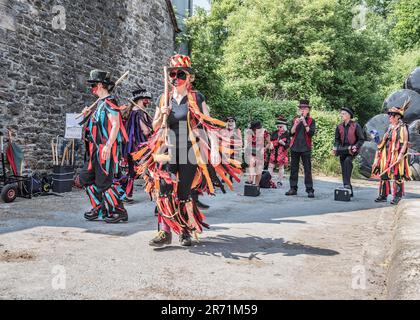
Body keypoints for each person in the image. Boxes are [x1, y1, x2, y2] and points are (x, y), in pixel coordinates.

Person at [133, 54, 241, 247]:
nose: (176, 78)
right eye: (172, 74)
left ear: (188, 77)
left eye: (180, 74)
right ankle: (164, 232)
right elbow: (155, 125)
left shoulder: (196, 98)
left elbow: (208, 125)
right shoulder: (163, 98)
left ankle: (185, 231)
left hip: (189, 150)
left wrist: (215, 149)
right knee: (164, 190)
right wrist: (162, 114)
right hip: (167, 147)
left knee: (184, 192)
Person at [79, 70, 129, 223]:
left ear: (100, 85)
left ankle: (119, 210)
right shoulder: (100, 104)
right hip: (94, 150)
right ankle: (99, 207)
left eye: (93, 85)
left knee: (104, 182)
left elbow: (115, 125)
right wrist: (87, 114)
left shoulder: (110, 103)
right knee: (85, 178)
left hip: (104, 150)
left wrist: (108, 145)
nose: (91, 88)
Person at [372, 101, 411, 205]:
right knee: (384, 174)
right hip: (386, 154)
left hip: (397, 154)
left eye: (391, 115)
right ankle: (383, 195)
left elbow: (406, 142)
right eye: (389, 114)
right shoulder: (389, 127)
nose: (389, 116)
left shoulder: (403, 127)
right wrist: (380, 140)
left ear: (398, 116)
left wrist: (400, 155)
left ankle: (397, 196)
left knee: (398, 175)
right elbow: (384, 141)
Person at [121, 87, 153, 201]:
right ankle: (157, 197)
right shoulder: (140, 112)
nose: (148, 102)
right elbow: (145, 131)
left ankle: (127, 195)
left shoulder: (130, 112)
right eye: (146, 99)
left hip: (130, 147)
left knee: (131, 171)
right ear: (141, 99)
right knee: (150, 170)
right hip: (140, 147)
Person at [285, 100, 316, 198]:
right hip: (295, 147)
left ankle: (309, 190)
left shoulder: (311, 121)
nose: (302, 110)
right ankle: (293, 188)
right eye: (301, 108)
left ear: (308, 110)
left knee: (307, 170)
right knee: (294, 169)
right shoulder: (295, 119)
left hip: (305, 147)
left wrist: (304, 122)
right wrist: (296, 123)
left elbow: (310, 133)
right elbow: (291, 133)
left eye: (304, 108)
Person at [333, 107, 365, 196]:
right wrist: (335, 147)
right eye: (341, 113)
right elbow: (337, 140)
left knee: (347, 162)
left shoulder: (356, 125)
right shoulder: (339, 126)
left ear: (349, 115)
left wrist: (356, 146)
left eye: (343, 114)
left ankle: (346, 185)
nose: (341, 115)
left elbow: (361, 139)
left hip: (352, 150)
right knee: (344, 168)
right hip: (342, 150)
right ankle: (348, 190)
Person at [245, 120, 270, 186]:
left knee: (258, 170)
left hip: (260, 152)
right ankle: (250, 179)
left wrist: (265, 149)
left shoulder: (264, 132)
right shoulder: (249, 132)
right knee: (251, 164)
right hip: (251, 151)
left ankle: (256, 185)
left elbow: (269, 143)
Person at [268, 115, 290, 187]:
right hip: (274, 151)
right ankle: (269, 180)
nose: (279, 128)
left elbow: (288, 145)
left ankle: (280, 181)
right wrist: (270, 144)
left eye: (280, 127)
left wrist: (283, 143)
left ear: (284, 127)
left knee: (281, 167)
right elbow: (270, 140)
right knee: (271, 166)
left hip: (282, 152)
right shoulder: (274, 132)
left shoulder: (287, 134)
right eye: (278, 126)